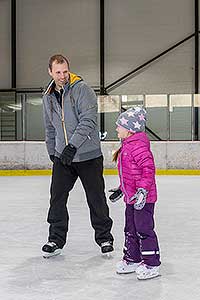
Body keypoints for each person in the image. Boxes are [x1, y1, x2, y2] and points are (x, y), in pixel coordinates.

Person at [42, 54, 114, 258]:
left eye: (65, 71)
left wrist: (72, 146)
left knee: (96, 198)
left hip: (88, 156)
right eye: (58, 72)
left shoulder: (83, 90)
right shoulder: (47, 96)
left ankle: (104, 238)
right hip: (62, 158)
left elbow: (88, 121)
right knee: (57, 198)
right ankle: (55, 239)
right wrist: (52, 152)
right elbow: (49, 127)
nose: (63, 75)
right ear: (50, 72)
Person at [109, 106, 161, 280]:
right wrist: (121, 189)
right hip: (131, 198)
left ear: (130, 129)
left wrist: (142, 191)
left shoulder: (138, 146)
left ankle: (152, 263)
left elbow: (148, 170)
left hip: (143, 199)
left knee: (144, 229)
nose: (116, 128)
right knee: (130, 228)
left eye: (119, 126)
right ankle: (132, 258)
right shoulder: (127, 146)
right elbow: (130, 174)